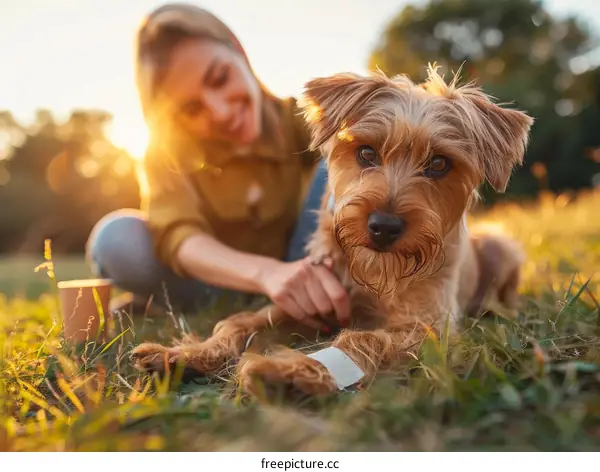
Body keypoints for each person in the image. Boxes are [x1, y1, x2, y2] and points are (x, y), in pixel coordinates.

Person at [86, 3, 350, 332]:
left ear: (238, 50)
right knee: (116, 239)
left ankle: (320, 290)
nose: (220, 112)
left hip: (301, 265)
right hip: (216, 283)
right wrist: (265, 274)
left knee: (341, 151)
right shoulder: (165, 151)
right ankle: (202, 302)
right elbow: (179, 238)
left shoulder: (296, 118)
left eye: (220, 78)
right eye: (191, 108)